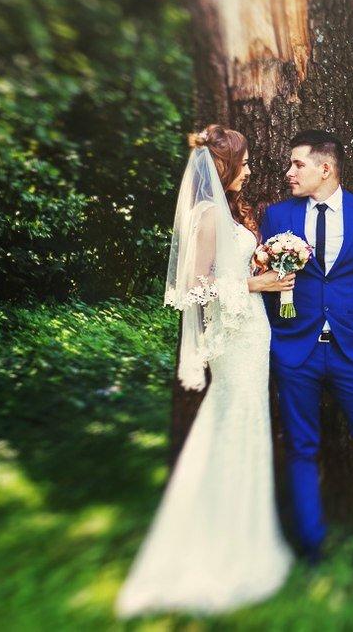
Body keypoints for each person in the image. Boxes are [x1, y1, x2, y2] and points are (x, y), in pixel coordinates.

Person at [116, 125, 296, 617]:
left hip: (251, 332)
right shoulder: (209, 214)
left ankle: (244, 533)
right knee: (234, 421)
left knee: (245, 422)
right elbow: (195, 288)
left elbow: (224, 274)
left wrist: (260, 269)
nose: (251, 169)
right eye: (246, 162)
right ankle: (218, 544)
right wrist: (257, 283)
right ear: (225, 165)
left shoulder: (225, 211)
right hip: (234, 338)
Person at [263, 129, 353, 571]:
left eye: (298, 164)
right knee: (302, 447)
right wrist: (278, 341)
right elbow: (265, 285)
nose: (289, 172)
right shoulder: (277, 216)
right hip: (297, 353)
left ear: (325, 168)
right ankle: (312, 547)